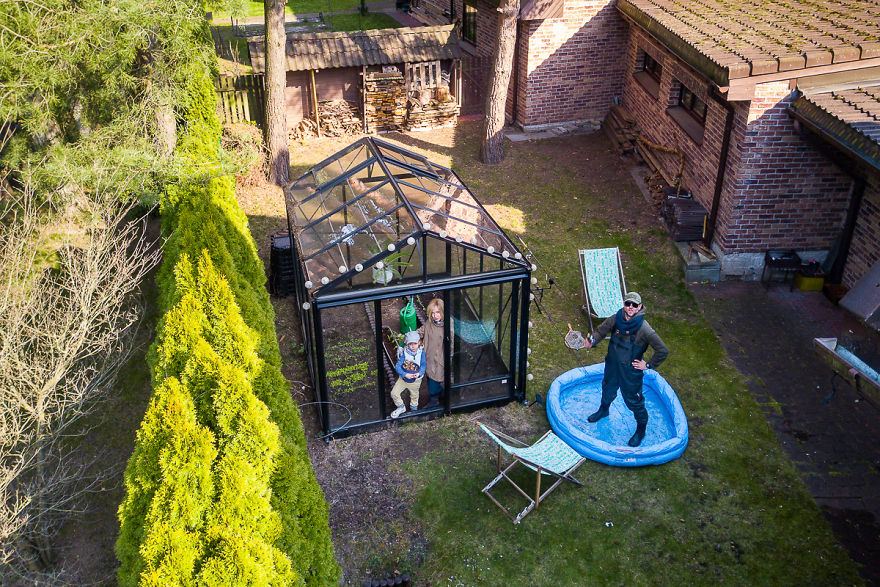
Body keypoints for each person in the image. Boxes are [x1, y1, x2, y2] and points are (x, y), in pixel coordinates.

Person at [576, 291, 668, 447]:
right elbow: (601, 331)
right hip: (612, 365)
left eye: (634, 305)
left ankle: (641, 430)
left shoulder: (645, 328)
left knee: (634, 402)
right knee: (607, 389)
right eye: (628, 303)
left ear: (640, 306)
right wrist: (592, 340)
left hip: (630, 373)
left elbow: (662, 350)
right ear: (624, 304)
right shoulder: (616, 318)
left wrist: (648, 365)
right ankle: (603, 410)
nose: (631, 307)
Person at [417, 298, 452, 408]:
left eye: (438, 312)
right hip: (429, 357)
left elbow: (451, 344)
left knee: (434, 381)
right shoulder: (430, 322)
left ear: (443, 311)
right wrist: (411, 337)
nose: (435, 315)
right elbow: (422, 331)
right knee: (430, 379)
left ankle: (434, 402)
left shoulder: (447, 326)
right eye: (432, 313)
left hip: (439, 359)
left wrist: (448, 358)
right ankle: (441, 394)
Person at [390, 330, 426, 418]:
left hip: (416, 380)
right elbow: (397, 366)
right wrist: (404, 374)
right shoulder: (404, 353)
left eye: (415, 343)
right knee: (394, 393)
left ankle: (414, 410)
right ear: (407, 345)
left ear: (419, 343)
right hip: (403, 379)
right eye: (410, 344)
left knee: (414, 395)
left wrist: (419, 373)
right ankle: (401, 407)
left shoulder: (421, 352)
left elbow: (423, 365)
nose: (413, 346)